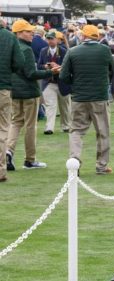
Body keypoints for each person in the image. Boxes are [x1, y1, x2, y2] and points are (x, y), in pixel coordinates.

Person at [59, 24, 114, 175]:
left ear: (83, 36)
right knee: (103, 131)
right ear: (97, 36)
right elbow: (112, 70)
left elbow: (63, 76)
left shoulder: (73, 51)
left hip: (79, 97)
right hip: (99, 97)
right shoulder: (105, 50)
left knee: (76, 131)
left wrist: (75, 84)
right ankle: (101, 166)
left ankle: (74, 163)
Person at [6, 19, 56, 171]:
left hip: (15, 91)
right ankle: (30, 160)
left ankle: (8, 151)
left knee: (15, 122)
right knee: (30, 126)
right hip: (28, 92)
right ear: (19, 33)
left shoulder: (12, 47)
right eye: (28, 31)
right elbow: (30, 73)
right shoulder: (26, 49)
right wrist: (50, 72)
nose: (32, 33)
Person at [0, 19, 25, 182]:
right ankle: (1, 171)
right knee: (2, 130)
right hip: (3, 88)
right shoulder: (9, 37)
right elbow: (19, 63)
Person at [38, 30, 71, 135]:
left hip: (62, 83)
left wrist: (57, 66)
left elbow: (68, 67)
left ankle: (66, 126)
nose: (50, 41)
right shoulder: (43, 51)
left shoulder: (64, 51)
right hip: (49, 83)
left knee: (64, 107)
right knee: (50, 106)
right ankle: (49, 128)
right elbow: (39, 65)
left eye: (52, 38)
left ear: (57, 39)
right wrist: (45, 66)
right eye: (48, 38)